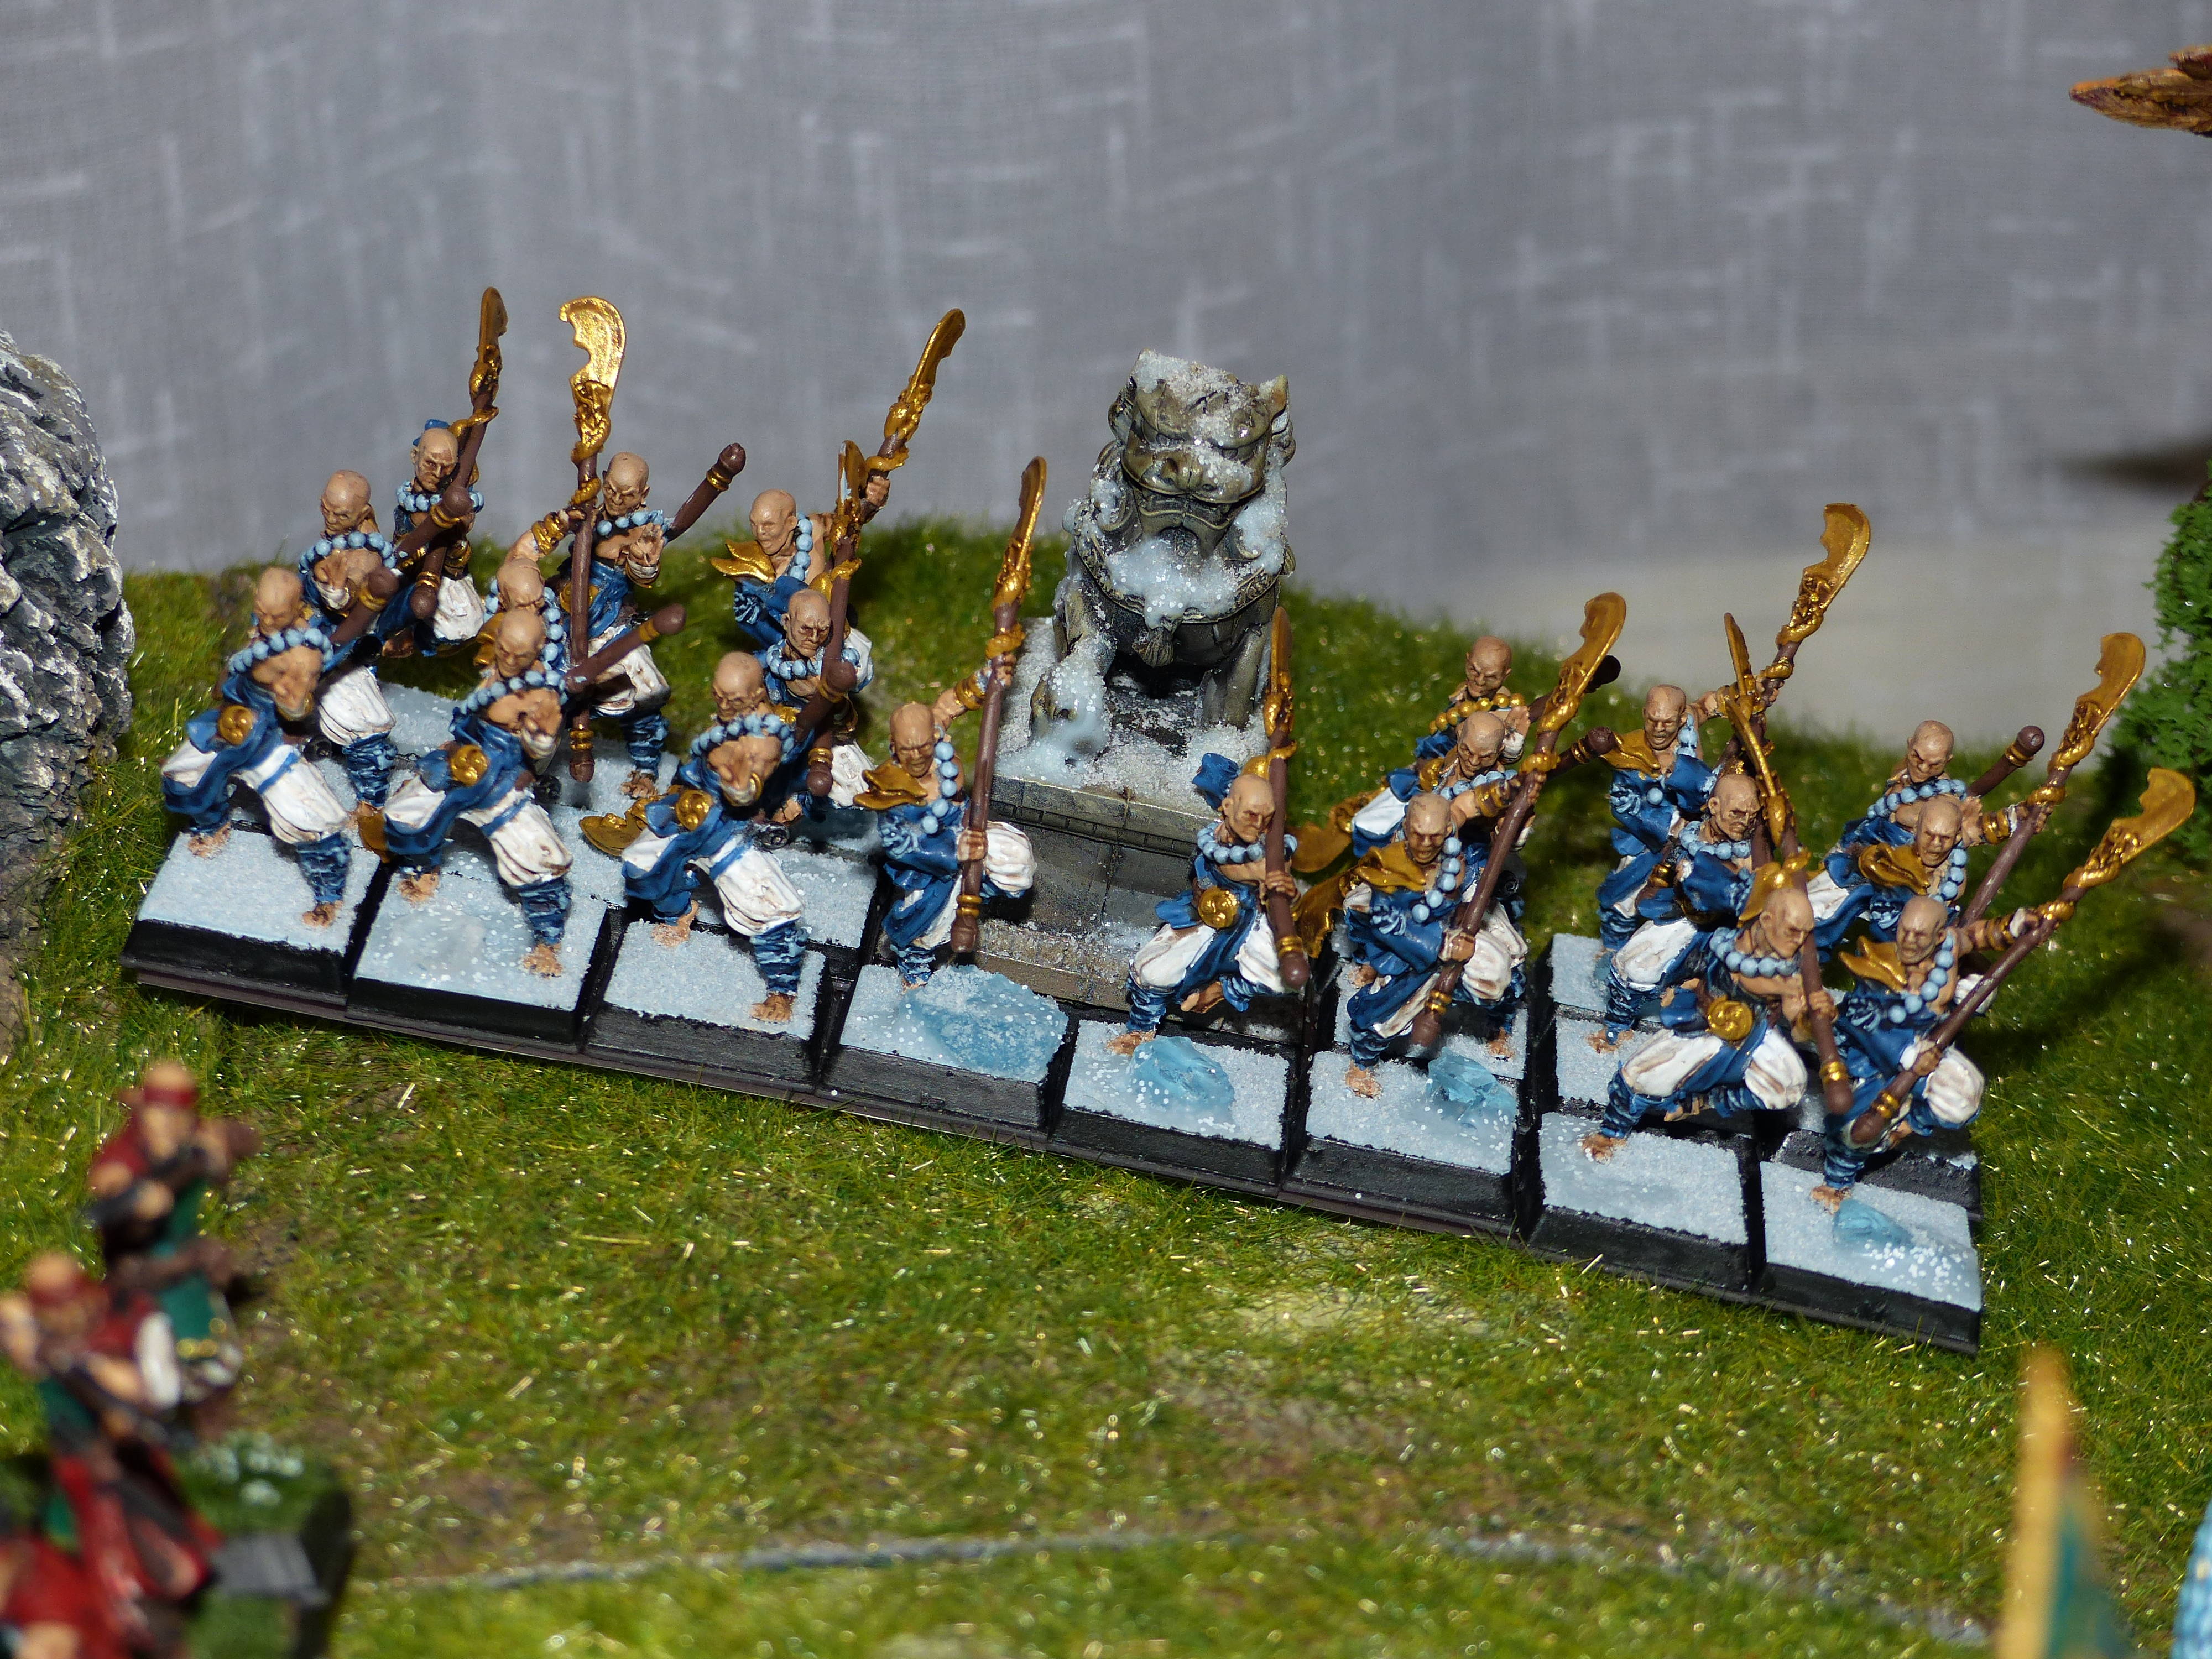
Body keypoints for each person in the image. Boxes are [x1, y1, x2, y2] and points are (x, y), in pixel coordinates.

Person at [159, 582, 353, 926]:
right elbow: (237, 670)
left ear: (297, 609)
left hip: (269, 742)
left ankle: (329, 895)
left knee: (310, 822)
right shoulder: (261, 633)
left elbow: (298, 705)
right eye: (262, 610)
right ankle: (213, 824)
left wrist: (293, 703)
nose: (266, 619)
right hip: (229, 726)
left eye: (276, 615)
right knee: (182, 778)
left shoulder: (303, 651)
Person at [1583, 885, 1828, 1159]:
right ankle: (1611, 1132)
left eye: (1806, 932)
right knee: (1639, 1077)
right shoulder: (1731, 938)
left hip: (1753, 1034)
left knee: (1788, 1085)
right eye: (1793, 931)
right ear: (1767, 920)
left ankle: (1709, 1101)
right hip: (1705, 1023)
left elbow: (1800, 1029)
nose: (1800, 940)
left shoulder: (1792, 973)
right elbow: (1725, 971)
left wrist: (1814, 1015)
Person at [1339, 794, 1525, 1097]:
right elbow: (1389, 925)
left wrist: (1516, 799)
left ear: (1448, 831)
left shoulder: (1456, 856)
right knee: (1383, 1017)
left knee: (1506, 971)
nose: (1426, 843)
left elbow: (1476, 803)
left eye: (1435, 836)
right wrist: (1442, 947)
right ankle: (1361, 1065)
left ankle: (1500, 1026)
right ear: (1406, 827)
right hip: (1412, 952)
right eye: (1418, 834)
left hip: (1464, 929)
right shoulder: (1388, 868)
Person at [1109, 761, 1297, 1053]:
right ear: (1227, 807)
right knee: (1153, 973)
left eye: (1267, 817)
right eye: (1251, 815)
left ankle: (1220, 991)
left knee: (1277, 974)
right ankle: (1140, 1030)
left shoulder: (1272, 854)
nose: (1259, 824)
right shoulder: (1219, 832)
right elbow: (1223, 864)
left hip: (1251, 924)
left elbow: (1283, 892)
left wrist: (1282, 890)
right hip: (1207, 915)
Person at [856, 701, 1037, 988]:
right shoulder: (891, 792)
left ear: (935, 738)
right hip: (929, 868)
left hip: (967, 832)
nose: (916, 756)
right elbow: (899, 847)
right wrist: (954, 852)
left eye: (923, 747)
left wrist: (988, 680)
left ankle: (982, 895)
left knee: (1012, 856)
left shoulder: (943, 759)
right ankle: (914, 974)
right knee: (923, 929)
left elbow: (952, 703)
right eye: (907, 749)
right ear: (893, 746)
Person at [1593, 685, 1714, 954]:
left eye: (1667, 723)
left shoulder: (1688, 742)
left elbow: (1711, 705)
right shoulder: (1629, 755)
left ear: (1681, 720)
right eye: (1652, 720)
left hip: (1693, 840)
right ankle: (1612, 948)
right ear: (1644, 714)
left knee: (1692, 901)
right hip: (1647, 842)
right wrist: (1667, 830)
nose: (1659, 729)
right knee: (1623, 900)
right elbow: (1623, 805)